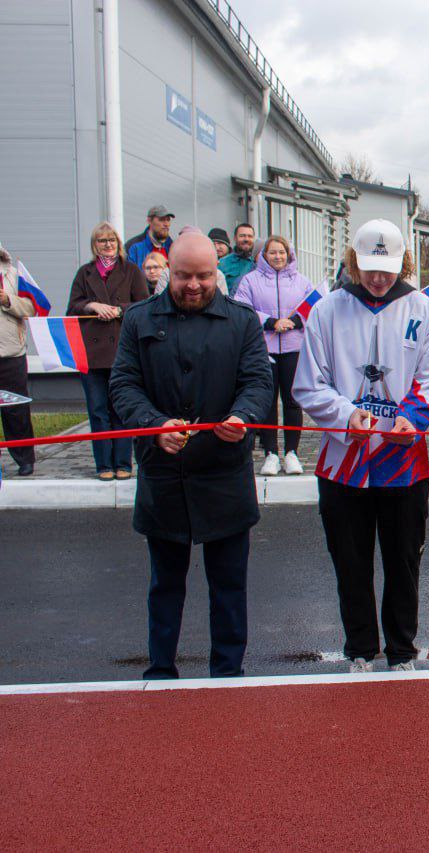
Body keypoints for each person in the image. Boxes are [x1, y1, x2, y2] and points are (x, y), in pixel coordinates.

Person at [109, 232, 272, 679]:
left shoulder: (241, 321)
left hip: (223, 473)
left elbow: (259, 382)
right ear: (168, 273)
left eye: (203, 276)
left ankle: (228, 671)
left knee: (228, 586)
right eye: (183, 276)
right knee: (164, 585)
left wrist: (243, 416)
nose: (194, 285)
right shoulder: (139, 319)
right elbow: (123, 384)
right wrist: (153, 424)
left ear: (216, 274)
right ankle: (160, 668)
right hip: (164, 474)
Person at [294, 219, 429, 673]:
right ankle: (360, 648)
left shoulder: (424, 309)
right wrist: (346, 415)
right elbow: (308, 384)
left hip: (403, 461)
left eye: (387, 269)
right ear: (353, 262)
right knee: (351, 562)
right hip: (344, 463)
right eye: (368, 269)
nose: (378, 279)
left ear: (403, 263)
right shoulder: (326, 310)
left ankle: (402, 650)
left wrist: (412, 417)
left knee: (404, 562)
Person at [68, 222, 151, 481]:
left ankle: (123, 462)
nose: (107, 244)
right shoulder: (85, 273)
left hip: (121, 351)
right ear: (95, 245)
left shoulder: (131, 271)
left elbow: (145, 305)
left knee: (120, 409)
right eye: (102, 240)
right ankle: (103, 464)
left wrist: (118, 310)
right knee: (97, 409)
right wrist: (92, 305)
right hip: (92, 355)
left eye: (112, 240)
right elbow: (72, 307)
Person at [233, 235, 319, 477]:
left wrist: (292, 321)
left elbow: (315, 307)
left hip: (293, 348)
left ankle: (292, 452)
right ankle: (270, 453)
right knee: (267, 402)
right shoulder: (250, 281)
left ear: (288, 254)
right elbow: (242, 308)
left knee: (292, 402)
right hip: (264, 350)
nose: (278, 257)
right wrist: (271, 322)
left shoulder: (301, 281)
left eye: (282, 252)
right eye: (273, 252)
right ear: (264, 255)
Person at [0, 242, 36, 476]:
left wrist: (7, 300)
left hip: (11, 353)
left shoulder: (15, 273)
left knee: (16, 408)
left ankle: (25, 458)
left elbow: (33, 307)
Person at [218, 223, 257, 297]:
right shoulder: (222, 264)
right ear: (235, 238)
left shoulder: (259, 262)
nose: (246, 239)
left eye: (250, 236)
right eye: (242, 236)